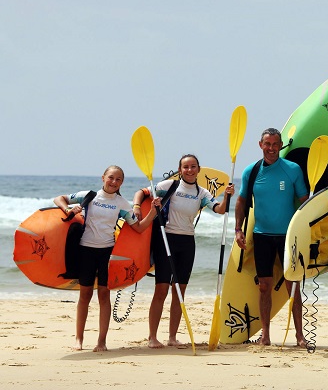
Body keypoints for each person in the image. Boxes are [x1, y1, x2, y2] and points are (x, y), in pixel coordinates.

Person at [132, 154, 234, 349]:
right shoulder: (168, 186)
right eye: (185, 167)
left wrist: (227, 195)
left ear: (198, 169)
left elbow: (219, 210)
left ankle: (172, 336)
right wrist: (137, 207)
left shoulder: (202, 193)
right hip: (166, 239)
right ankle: (152, 336)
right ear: (180, 170)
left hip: (187, 242)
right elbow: (141, 192)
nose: (189, 170)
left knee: (180, 292)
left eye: (193, 166)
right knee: (161, 290)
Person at [53, 165, 159, 352]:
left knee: (104, 295)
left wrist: (152, 211)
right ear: (103, 177)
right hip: (85, 250)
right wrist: (68, 209)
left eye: (118, 179)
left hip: (107, 253)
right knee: (84, 295)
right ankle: (79, 339)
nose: (113, 182)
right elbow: (58, 198)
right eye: (111, 177)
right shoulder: (89, 196)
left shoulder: (122, 204)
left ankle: (101, 341)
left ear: (122, 183)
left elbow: (139, 228)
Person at [234, 128, 308, 346]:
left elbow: (304, 200)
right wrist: (238, 229)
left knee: (292, 285)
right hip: (262, 236)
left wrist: (306, 231)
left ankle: (299, 335)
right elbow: (241, 201)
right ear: (260, 144)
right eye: (267, 144)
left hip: (288, 235)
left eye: (275, 144)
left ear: (281, 145)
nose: (272, 148)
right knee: (264, 286)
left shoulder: (292, 170)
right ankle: (265, 335)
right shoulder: (252, 171)